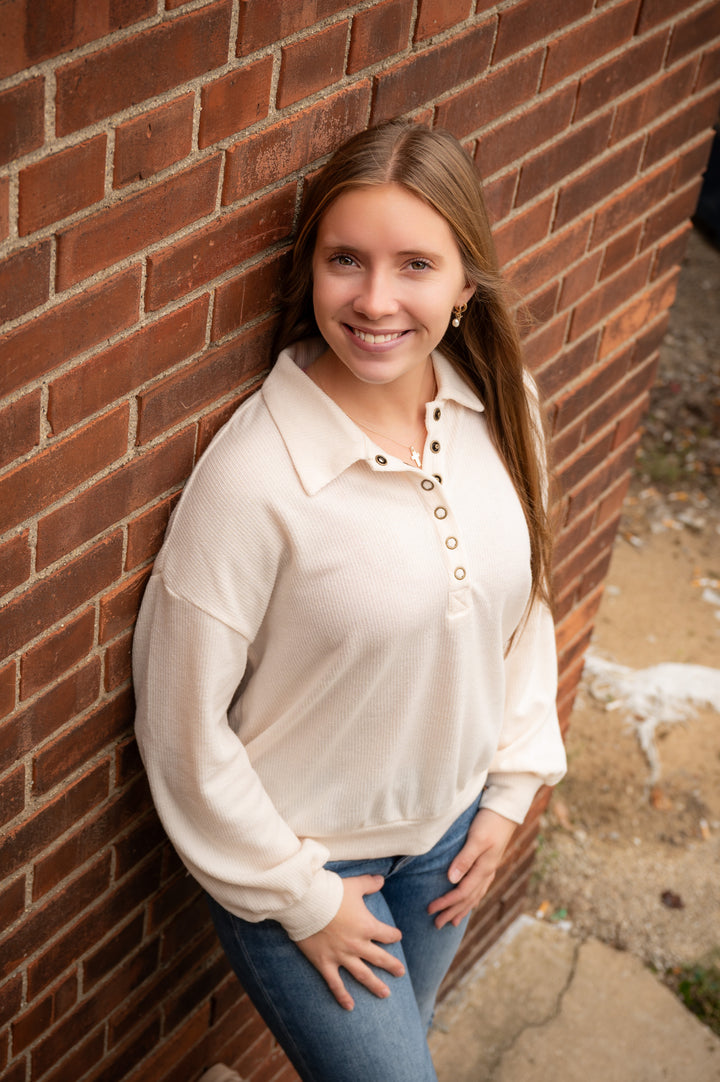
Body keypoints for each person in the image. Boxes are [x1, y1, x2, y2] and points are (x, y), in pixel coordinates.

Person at [133, 119, 567, 1082]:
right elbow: (178, 728)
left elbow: (523, 604)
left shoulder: (505, 406)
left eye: (416, 263)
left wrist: (510, 787)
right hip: (314, 876)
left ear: (465, 285)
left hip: (450, 848)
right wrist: (304, 897)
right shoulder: (255, 476)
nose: (375, 300)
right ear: (311, 270)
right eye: (346, 261)